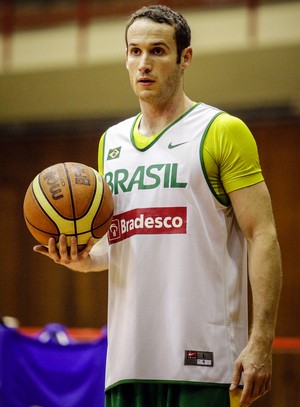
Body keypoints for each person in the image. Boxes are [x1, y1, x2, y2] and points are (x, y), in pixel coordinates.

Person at [34, 5, 282, 407]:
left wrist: (260, 341)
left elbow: (262, 234)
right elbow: (124, 241)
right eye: (134, 52)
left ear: (185, 57)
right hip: (127, 361)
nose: (143, 64)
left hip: (205, 361)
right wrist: (84, 257)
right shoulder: (110, 142)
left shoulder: (222, 131)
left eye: (158, 51)